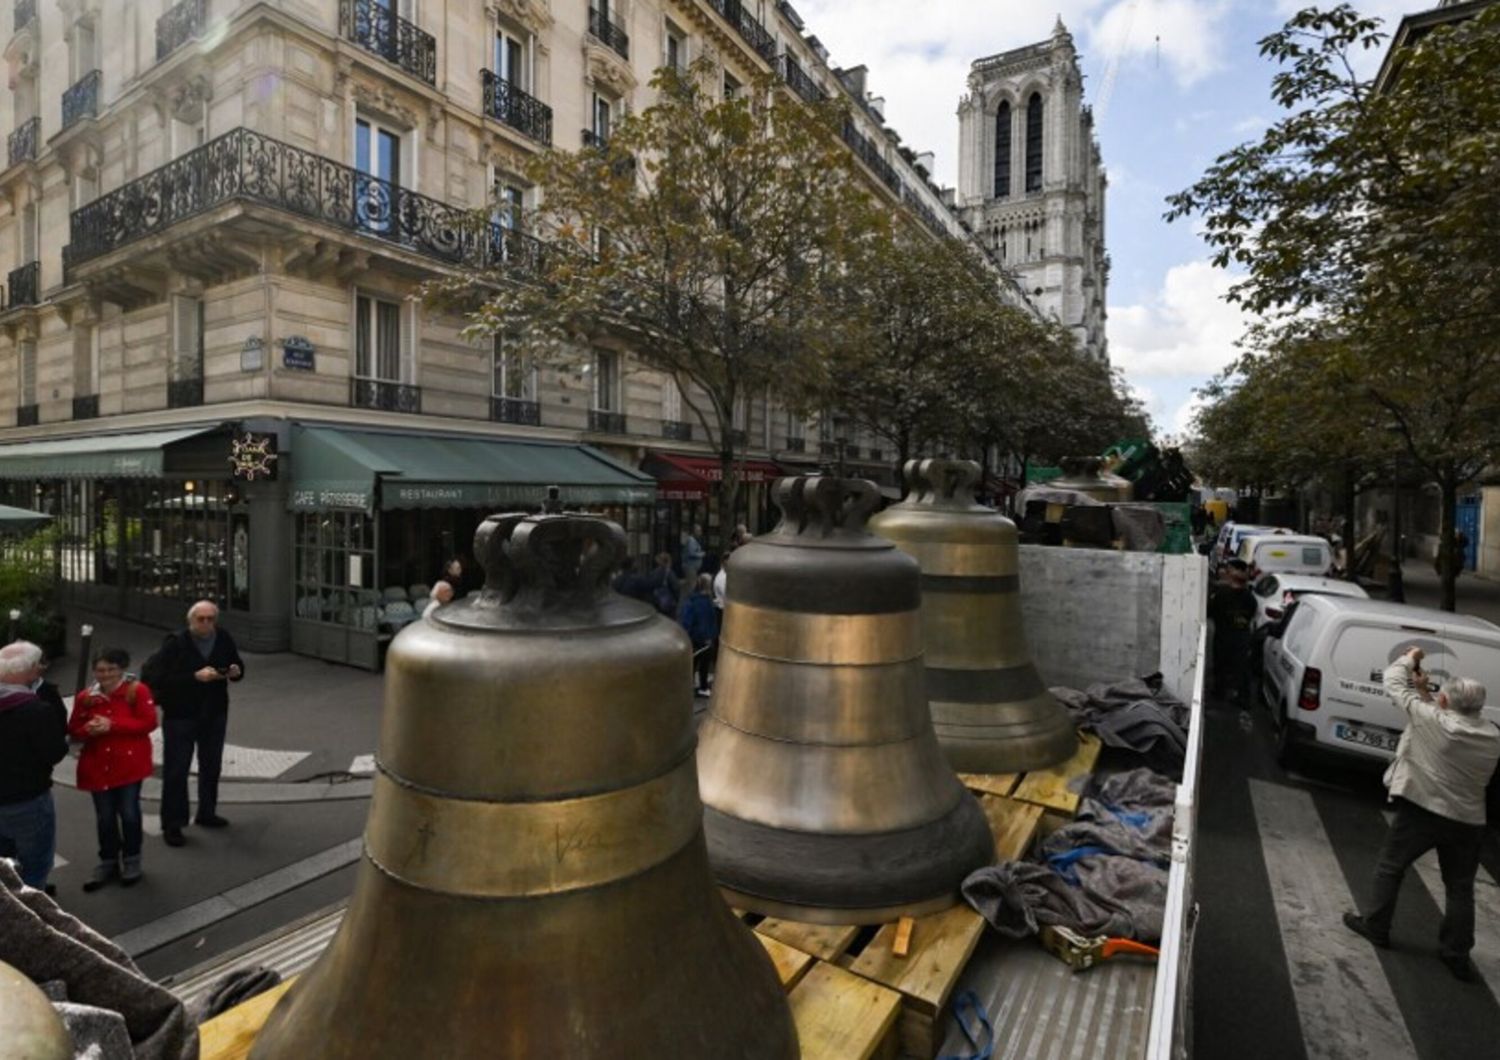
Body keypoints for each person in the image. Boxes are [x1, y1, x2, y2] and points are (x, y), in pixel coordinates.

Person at [1344, 647, 1500, 981]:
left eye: (1441, 697)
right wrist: (1427, 692)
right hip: (1468, 820)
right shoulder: (1492, 735)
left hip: (1423, 810)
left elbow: (1392, 683)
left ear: (1445, 703)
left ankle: (1376, 925)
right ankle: (1455, 954)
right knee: (1460, 887)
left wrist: (1409, 658)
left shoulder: (1435, 722)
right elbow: (1444, 719)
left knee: (1391, 867)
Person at [147, 600, 245, 846]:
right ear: (190, 621)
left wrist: (235, 671)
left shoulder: (222, 638)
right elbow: (157, 678)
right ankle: (173, 823)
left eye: (210, 619)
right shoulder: (175, 644)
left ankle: (207, 812)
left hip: (214, 713)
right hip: (181, 715)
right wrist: (194, 677)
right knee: (177, 770)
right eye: (201, 619)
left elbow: (237, 664)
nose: (206, 624)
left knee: (211, 765)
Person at [69, 649, 158, 891]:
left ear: (121, 669)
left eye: (111, 669)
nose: (105, 674)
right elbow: (74, 729)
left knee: (129, 813)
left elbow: (148, 722)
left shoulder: (136, 691)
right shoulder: (86, 697)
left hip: (128, 765)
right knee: (105, 817)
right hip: (98, 765)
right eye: (100, 670)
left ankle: (132, 859)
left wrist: (112, 725)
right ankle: (107, 860)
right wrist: (89, 728)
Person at [0, 642, 67, 894]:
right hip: (28, 801)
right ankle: (31, 916)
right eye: (38, 665)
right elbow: (54, 753)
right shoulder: (36, 710)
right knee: (36, 865)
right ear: (29, 671)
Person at [1208, 559, 1256, 705]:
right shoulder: (1250, 598)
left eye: (1229, 570)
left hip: (1224, 636)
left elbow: (1211, 611)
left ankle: (1220, 692)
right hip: (1241, 637)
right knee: (1241, 668)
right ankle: (1243, 697)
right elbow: (1250, 614)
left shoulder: (1222, 595)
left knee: (1221, 665)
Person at [680, 574, 719, 697]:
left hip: (693, 637)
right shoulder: (706, 602)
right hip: (704, 638)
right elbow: (709, 621)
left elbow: (687, 621)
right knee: (704, 664)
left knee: (693, 662)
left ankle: (687, 686)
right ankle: (703, 686)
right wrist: (709, 637)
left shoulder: (691, 600)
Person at [647, 552, 680, 616]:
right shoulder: (670, 573)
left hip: (656, 602)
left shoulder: (653, 573)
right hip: (668, 604)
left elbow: (649, 586)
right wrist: (676, 600)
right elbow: (676, 588)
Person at [681, 525, 705, 590]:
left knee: (691, 584)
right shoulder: (691, 540)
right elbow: (691, 553)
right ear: (694, 531)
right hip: (690, 566)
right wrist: (701, 554)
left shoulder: (694, 540)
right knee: (691, 585)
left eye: (700, 531)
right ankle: (688, 599)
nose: (700, 533)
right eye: (698, 531)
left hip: (693, 567)